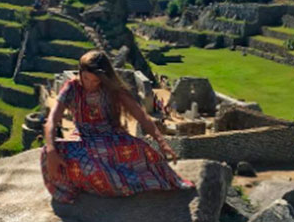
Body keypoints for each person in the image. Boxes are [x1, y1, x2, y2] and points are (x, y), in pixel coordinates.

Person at [41, 50, 194, 204]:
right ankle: (99, 183)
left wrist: (161, 142)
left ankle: (113, 183)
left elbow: (141, 115)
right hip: (84, 139)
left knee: (144, 152)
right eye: (86, 78)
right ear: (80, 73)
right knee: (50, 155)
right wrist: (51, 149)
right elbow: (52, 120)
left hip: (112, 138)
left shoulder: (113, 89)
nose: (90, 85)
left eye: (95, 81)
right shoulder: (72, 87)